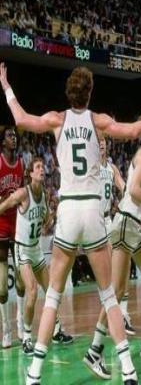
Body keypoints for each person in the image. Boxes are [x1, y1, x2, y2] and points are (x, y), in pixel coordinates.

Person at [0, 63, 141, 385]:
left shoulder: (57, 119)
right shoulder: (99, 121)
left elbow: (21, 119)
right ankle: (128, 369)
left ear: (69, 93)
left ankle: (34, 373)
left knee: (53, 296)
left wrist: (6, 87)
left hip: (68, 210)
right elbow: (133, 131)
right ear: (90, 93)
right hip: (94, 212)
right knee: (109, 295)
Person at [84, 108, 141, 378]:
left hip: (124, 223)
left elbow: (131, 191)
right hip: (127, 225)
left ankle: (94, 350)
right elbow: (133, 190)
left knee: (116, 292)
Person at [0, 157, 73, 355]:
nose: (42, 169)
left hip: (36, 249)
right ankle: (26, 337)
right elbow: (4, 206)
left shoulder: (46, 194)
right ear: (31, 173)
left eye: (43, 167)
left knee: (51, 291)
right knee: (31, 291)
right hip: (22, 249)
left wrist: (53, 216)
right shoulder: (23, 193)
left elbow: (47, 220)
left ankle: (56, 331)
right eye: (38, 167)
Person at [97, 137, 135, 335]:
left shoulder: (111, 169)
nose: (101, 143)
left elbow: (124, 187)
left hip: (107, 220)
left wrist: (134, 194)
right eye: (98, 141)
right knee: (106, 271)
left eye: (103, 140)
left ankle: (123, 314)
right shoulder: (90, 166)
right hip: (92, 221)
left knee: (121, 263)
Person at [0, 126, 25, 348]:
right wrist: (6, 202)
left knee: (21, 282)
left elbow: (24, 194)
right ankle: (6, 331)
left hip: (17, 224)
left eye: (15, 135)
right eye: (10, 136)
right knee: (1, 288)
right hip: (1, 223)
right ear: (3, 142)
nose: (14, 138)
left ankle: (21, 327)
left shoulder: (21, 164)